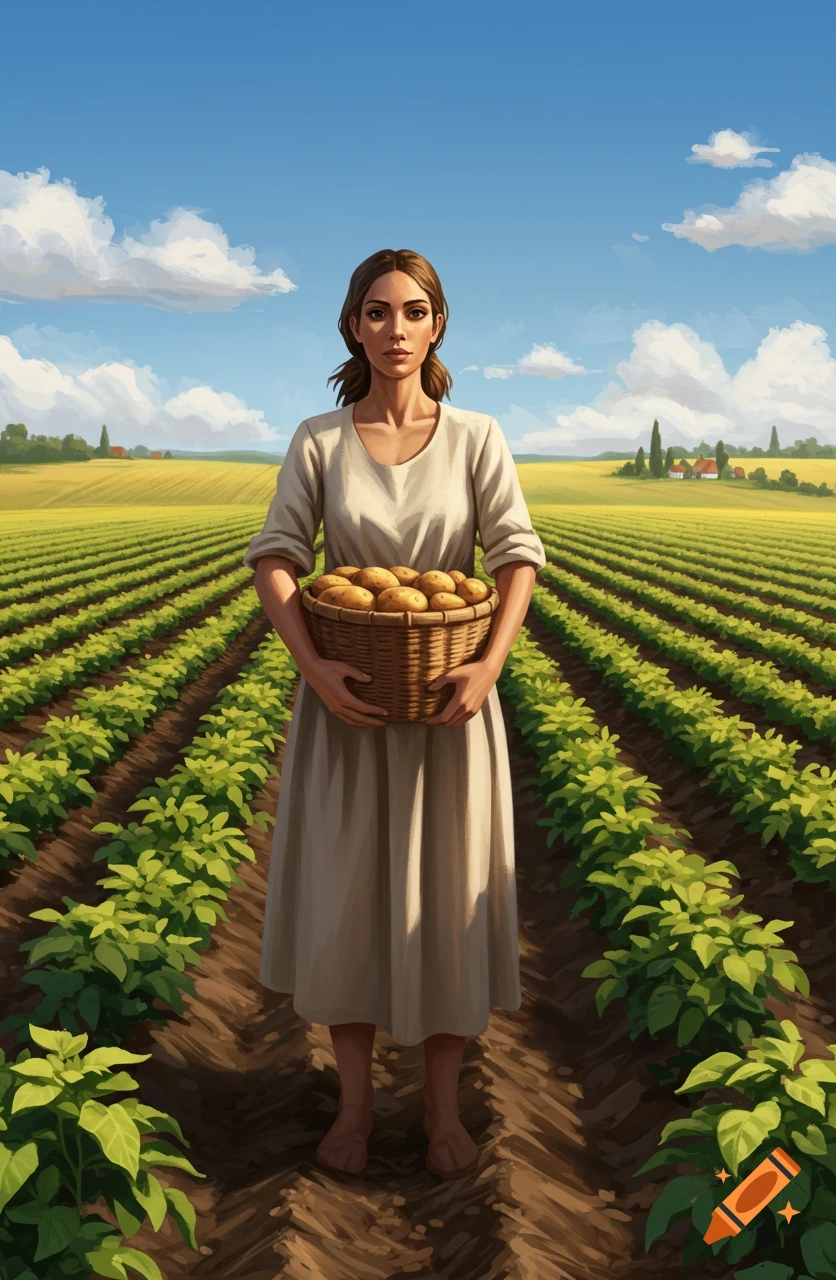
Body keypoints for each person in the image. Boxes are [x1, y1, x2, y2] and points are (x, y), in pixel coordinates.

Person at [244, 248, 546, 1181]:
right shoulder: (319, 440)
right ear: (353, 327)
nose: (396, 331)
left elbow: (516, 557)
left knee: (446, 901)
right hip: (350, 715)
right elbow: (277, 558)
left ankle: (446, 1109)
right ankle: (357, 1104)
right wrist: (319, 672)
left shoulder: (478, 437)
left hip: (452, 711)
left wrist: (487, 667)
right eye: (377, 313)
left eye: (413, 312)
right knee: (350, 903)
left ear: (439, 323)